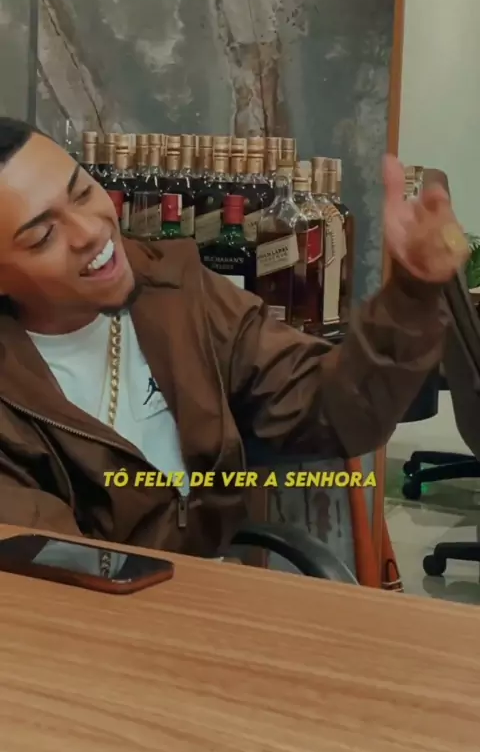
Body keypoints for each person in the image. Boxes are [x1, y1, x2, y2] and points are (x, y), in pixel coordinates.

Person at [0, 118, 469, 557]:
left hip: (214, 584)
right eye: (43, 236)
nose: (90, 231)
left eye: (84, 193)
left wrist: (410, 295)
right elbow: (53, 571)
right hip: (101, 610)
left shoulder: (175, 290)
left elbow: (330, 409)